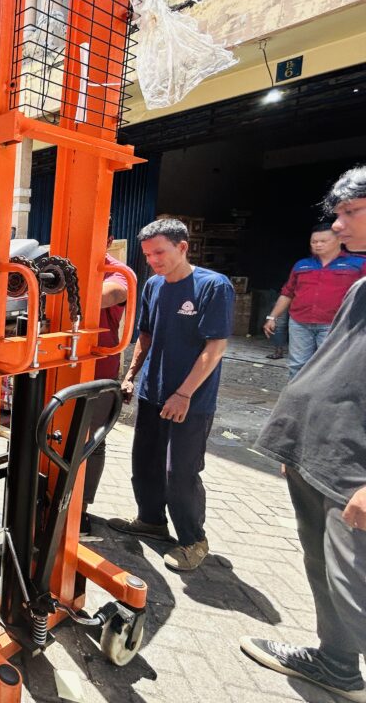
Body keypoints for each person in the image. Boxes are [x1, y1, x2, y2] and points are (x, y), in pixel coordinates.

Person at [240, 166, 366, 703]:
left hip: (356, 472)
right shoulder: (361, 287)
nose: (337, 226)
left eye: (350, 212)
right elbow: (333, 364)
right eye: (337, 214)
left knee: (355, 587)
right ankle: (336, 664)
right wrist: (297, 439)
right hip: (320, 453)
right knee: (323, 569)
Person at [108, 218, 235, 572]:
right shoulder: (153, 285)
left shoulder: (213, 286)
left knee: (179, 473)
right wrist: (130, 376)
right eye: (148, 255)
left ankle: (193, 540)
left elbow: (215, 348)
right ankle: (151, 521)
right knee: (145, 464)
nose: (153, 261)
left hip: (190, 400)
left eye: (159, 253)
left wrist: (183, 394)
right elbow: (146, 335)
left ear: (182, 247)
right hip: (153, 392)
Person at [81, 220, 136, 536]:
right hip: (58, 367)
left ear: (109, 239)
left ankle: (80, 508)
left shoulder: (118, 273)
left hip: (98, 372)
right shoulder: (61, 265)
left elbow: (106, 296)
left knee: (91, 442)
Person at [263, 222, 366, 378]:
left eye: (323, 241)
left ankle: (324, 395)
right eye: (314, 241)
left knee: (329, 366)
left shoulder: (359, 264)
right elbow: (287, 293)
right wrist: (272, 317)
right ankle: (296, 394)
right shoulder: (302, 265)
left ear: (340, 240)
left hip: (336, 324)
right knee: (297, 364)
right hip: (299, 323)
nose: (318, 245)